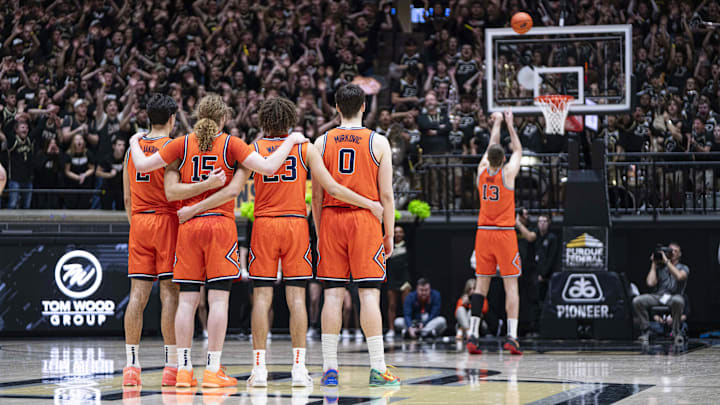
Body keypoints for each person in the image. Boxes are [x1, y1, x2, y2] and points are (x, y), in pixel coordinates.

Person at [179, 97, 382, 388]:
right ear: (290, 120)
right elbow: (334, 187)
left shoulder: (253, 149)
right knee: (296, 299)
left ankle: (259, 369)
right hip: (295, 226)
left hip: (263, 225)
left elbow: (234, 188)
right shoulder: (304, 147)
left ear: (262, 121)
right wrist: (370, 204)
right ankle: (299, 369)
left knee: (261, 299)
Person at [128, 94, 308, 388]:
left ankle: (184, 371)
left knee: (187, 300)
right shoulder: (232, 144)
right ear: (224, 117)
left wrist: (135, 142)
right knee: (217, 300)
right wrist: (291, 141)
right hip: (220, 226)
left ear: (198, 115)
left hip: (188, 228)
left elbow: (144, 166)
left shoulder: (182, 144)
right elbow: (267, 167)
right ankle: (212, 369)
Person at [122, 94, 221, 387]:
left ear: (146, 118)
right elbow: (178, 191)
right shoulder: (176, 148)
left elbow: (126, 196)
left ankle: (131, 367)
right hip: (167, 221)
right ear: (172, 120)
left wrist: (137, 223)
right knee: (169, 295)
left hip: (139, 221)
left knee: (137, 296)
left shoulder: (134, 150)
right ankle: (170, 365)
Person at [312, 84, 400, 387]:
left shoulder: (321, 142)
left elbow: (317, 198)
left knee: (333, 296)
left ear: (336, 108)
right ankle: (377, 368)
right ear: (364, 107)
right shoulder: (379, 142)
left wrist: (320, 232)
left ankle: (330, 368)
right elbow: (386, 196)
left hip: (332, 220)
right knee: (369, 295)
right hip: (365, 221)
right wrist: (388, 233)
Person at [467, 110, 524, 356]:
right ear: (503, 160)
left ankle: (472, 334)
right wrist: (510, 125)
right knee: (511, 287)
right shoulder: (507, 173)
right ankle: (511, 337)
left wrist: (497, 122)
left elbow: (492, 146)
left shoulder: (481, 171)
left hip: (483, 234)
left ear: (488, 159)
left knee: (481, 286)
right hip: (504, 233)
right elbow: (519, 151)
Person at [633, 243, 689, 342]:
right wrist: (654, 263)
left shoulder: (683, 267)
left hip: (674, 296)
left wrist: (667, 262)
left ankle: (676, 332)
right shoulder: (660, 267)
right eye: (670, 250)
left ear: (680, 254)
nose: (672, 253)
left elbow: (680, 277)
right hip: (658, 296)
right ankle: (646, 330)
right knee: (637, 301)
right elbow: (650, 283)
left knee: (679, 301)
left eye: (675, 251)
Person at [385, 225, 412, 340]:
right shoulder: (388, 246)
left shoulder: (408, 246)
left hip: (404, 279)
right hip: (392, 279)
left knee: (406, 305)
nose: (398, 234)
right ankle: (391, 329)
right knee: (392, 305)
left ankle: (407, 327)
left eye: (400, 232)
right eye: (396, 232)